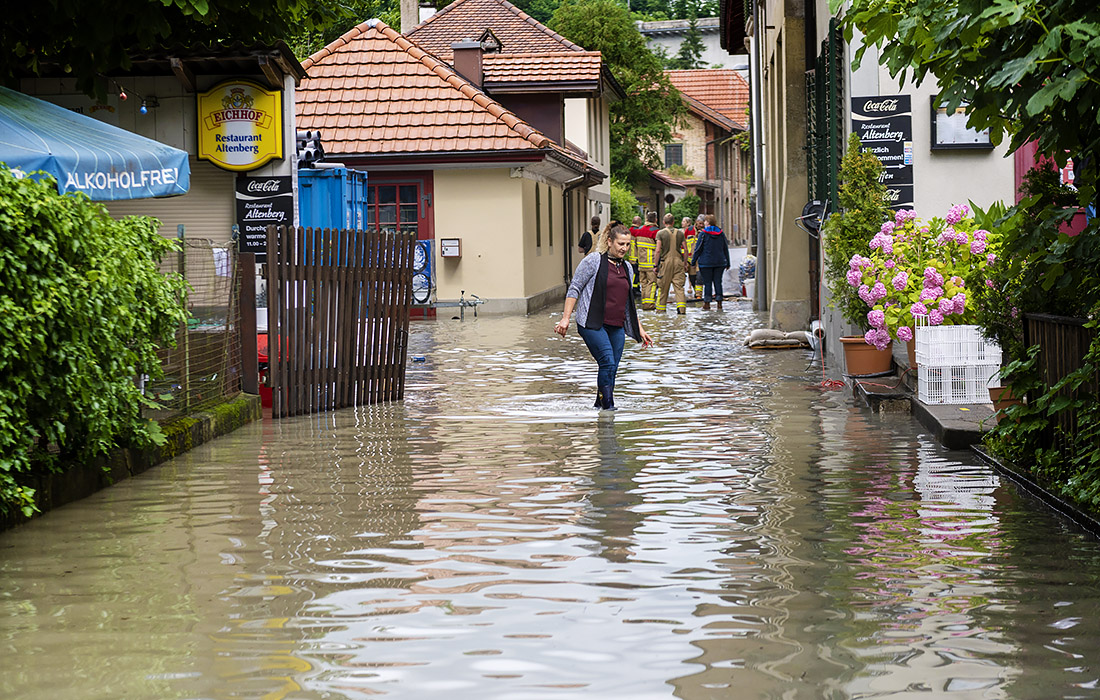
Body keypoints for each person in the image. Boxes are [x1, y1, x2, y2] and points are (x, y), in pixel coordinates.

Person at [555, 225, 654, 410]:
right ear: (609, 242)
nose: (624, 248)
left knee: (612, 369)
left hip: (616, 326)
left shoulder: (627, 267)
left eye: (627, 244)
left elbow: (627, 302)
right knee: (607, 362)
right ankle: (609, 409)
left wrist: (639, 329)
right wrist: (565, 318)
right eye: (620, 244)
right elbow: (574, 288)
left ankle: (599, 405)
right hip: (592, 323)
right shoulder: (594, 261)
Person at [690, 214, 731, 310]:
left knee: (707, 283)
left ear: (707, 222)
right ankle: (719, 302)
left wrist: (693, 261)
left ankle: (707, 303)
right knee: (718, 282)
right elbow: (725, 248)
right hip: (720, 262)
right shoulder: (721, 233)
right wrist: (727, 262)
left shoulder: (703, 234)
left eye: (705, 221)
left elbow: (698, 249)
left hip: (706, 262)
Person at [655, 213, 687, 314]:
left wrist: (655, 265)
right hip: (678, 262)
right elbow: (685, 249)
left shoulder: (660, 233)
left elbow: (658, 250)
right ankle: (682, 311)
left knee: (663, 288)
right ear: (673, 222)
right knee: (679, 288)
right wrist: (685, 263)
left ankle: (660, 311)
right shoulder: (680, 233)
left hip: (665, 263)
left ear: (664, 222)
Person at [633, 211, 660, 309]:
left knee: (643, 283)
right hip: (651, 263)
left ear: (647, 219)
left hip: (641, 263)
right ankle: (649, 304)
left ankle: (644, 304)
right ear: (655, 220)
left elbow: (635, 245)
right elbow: (659, 249)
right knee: (652, 283)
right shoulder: (655, 231)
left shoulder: (639, 230)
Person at [682, 216, 701, 299]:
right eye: (699, 223)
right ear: (696, 222)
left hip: (700, 259)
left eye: (702, 224)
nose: (701, 225)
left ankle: (698, 295)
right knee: (692, 277)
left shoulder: (705, 231)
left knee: (699, 277)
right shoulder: (689, 230)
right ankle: (695, 290)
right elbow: (684, 244)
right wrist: (684, 258)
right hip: (691, 258)